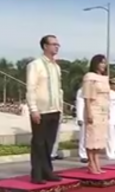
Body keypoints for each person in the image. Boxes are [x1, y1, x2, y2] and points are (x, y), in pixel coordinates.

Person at [26, 35, 63, 184]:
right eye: (53, 44)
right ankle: (37, 174)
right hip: (41, 110)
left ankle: (48, 171)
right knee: (39, 143)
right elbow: (31, 87)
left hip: (54, 109)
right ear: (45, 46)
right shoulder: (35, 65)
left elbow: (58, 89)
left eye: (57, 44)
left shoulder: (56, 66)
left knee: (49, 142)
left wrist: (60, 107)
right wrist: (33, 109)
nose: (56, 47)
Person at [82, 54, 110, 174]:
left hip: (103, 110)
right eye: (101, 62)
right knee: (92, 137)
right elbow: (87, 97)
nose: (103, 65)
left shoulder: (104, 78)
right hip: (93, 108)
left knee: (99, 138)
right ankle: (91, 163)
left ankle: (97, 162)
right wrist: (89, 112)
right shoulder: (89, 77)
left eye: (105, 63)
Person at [106, 77, 115, 160]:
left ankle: (113, 152)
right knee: (110, 136)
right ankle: (109, 153)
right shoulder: (108, 93)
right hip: (110, 117)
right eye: (114, 84)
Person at [75, 88, 88, 163]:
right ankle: (83, 155)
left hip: (94, 116)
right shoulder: (82, 90)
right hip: (84, 116)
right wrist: (79, 118)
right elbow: (80, 104)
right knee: (83, 136)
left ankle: (89, 154)